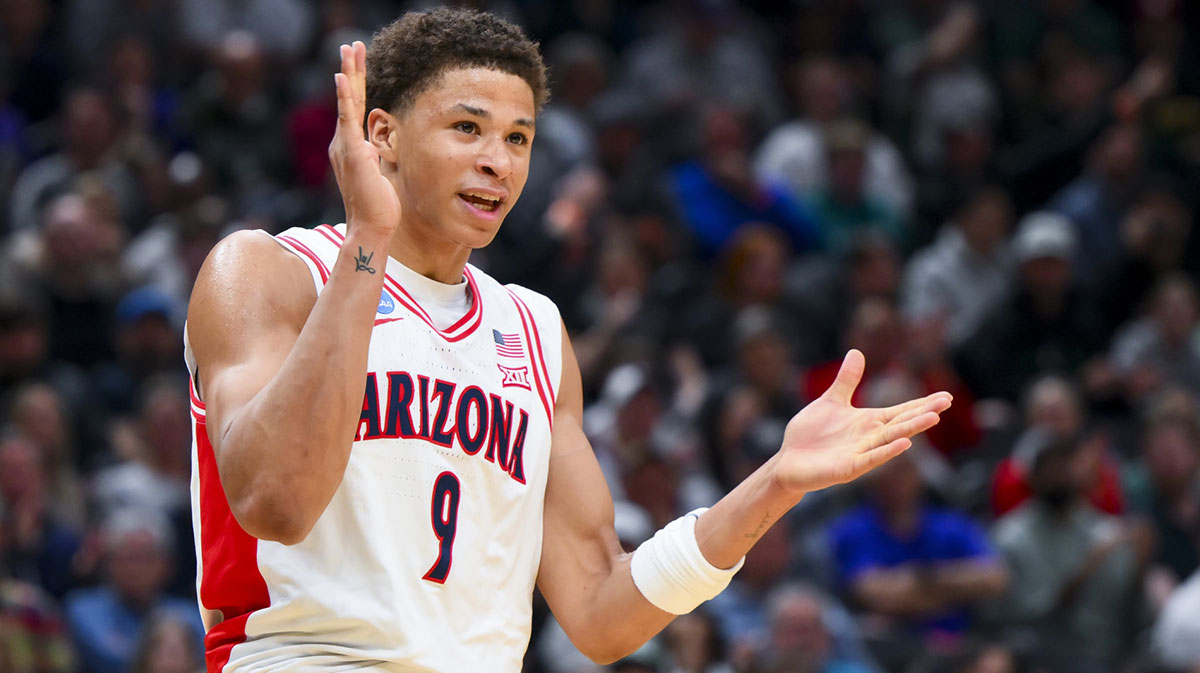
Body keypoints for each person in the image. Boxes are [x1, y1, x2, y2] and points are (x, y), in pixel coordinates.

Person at [183, 8, 952, 672]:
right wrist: (368, 241)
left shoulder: (534, 331)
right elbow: (275, 500)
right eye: (466, 128)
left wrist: (776, 483)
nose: (498, 161)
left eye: (518, 138)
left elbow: (599, 610)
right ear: (381, 134)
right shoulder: (267, 272)